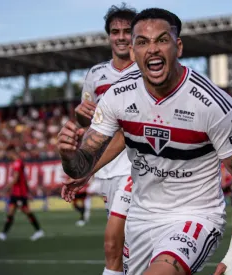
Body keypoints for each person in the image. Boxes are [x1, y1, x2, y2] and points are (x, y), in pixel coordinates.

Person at [58, 8, 232, 275]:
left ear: (178, 47)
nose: (152, 49)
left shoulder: (214, 106)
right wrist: (68, 155)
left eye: (161, 40)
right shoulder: (118, 96)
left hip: (194, 216)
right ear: (132, 52)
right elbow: (81, 166)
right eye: (142, 42)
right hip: (141, 217)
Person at [69, 3, 138, 275]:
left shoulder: (147, 70)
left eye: (126, 31)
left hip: (136, 166)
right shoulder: (96, 75)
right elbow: (89, 122)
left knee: (119, 240)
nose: (121, 37)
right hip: (106, 169)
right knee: (120, 244)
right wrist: (80, 117)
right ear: (109, 35)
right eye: (115, 31)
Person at [0, 145, 44, 241]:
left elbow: (16, 179)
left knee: (26, 211)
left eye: (8, 153)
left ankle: (39, 231)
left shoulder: (17, 163)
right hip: (16, 193)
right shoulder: (18, 163)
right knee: (10, 213)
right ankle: (3, 234)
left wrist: (5, 188)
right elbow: (24, 179)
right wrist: (29, 191)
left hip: (19, 193)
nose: (7, 155)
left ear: (12, 152)